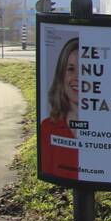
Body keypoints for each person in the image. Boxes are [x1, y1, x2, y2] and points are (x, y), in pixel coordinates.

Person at [40, 37, 79, 179]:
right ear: (61, 75)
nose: (77, 77)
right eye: (70, 69)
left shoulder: (110, 128)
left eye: (86, 69)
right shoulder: (47, 128)